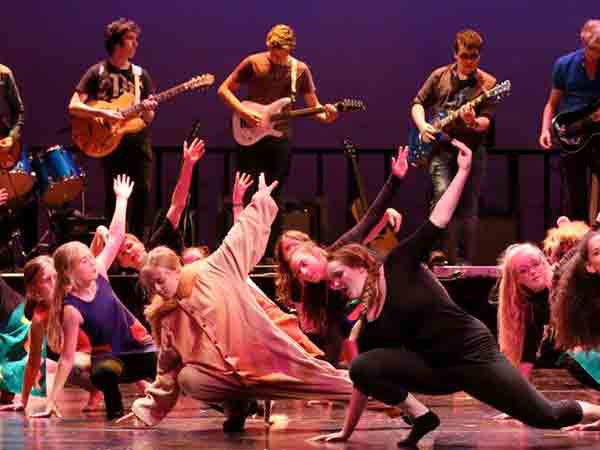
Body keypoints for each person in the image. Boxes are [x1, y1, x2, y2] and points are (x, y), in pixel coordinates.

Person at [313, 141, 600, 447]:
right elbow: (363, 381)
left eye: (338, 276)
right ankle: (422, 417)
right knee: (361, 365)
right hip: (435, 371)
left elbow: (438, 219)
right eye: (331, 283)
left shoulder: (399, 263)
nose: (336, 285)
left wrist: (462, 172)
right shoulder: (369, 322)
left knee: (545, 416)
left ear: (358, 263)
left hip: (472, 355)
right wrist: (346, 432)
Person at [34, 175, 157, 421]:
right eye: (84, 260)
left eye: (91, 258)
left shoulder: (100, 273)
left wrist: (121, 200)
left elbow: (115, 238)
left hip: (140, 350)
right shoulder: (72, 309)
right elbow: (67, 358)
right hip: (112, 360)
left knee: (175, 367)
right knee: (103, 372)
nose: (93, 261)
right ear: (69, 272)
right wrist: (50, 401)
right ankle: (114, 410)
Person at [218, 23, 338, 258]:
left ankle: (270, 254)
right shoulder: (253, 62)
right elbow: (224, 89)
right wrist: (243, 112)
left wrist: (329, 116)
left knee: (274, 197)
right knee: (246, 193)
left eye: (280, 53)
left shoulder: (300, 70)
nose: (275, 57)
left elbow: (315, 107)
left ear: (290, 48)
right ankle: (242, 251)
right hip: (250, 136)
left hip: (280, 139)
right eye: (272, 51)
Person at [411, 29, 497, 265]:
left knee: (468, 206)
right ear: (455, 54)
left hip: (470, 151)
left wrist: (472, 121)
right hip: (440, 148)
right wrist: (422, 126)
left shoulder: (488, 84)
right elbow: (418, 103)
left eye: (474, 56)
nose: (469, 61)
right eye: (464, 56)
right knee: (441, 193)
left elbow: (486, 121)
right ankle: (436, 252)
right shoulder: (439, 76)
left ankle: (463, 260)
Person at [68, 18, 157, 239]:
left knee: (142, 196)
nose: (136, 43)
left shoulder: (140, 75)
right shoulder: (97, 72)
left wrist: (148, 110)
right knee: (114, 198)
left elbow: (148, 118)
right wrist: (103, 113)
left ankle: (137, 246)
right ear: (117, 43)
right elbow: (74, 106)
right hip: (110, 144)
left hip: (138, 143)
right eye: (131, 39)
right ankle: (112, 248)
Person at [0, 256, 102, 414]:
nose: (55, 283)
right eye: (47, 280)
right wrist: (23, 402)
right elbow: (33, 362)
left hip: (107, 355)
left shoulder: (75, 295)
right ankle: (96, 390)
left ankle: (103, 387)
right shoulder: (39, 317)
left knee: (67, 363)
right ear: (35, 290)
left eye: (56, 277)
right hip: (84, 361)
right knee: (62, 364)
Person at [539, 19, 600, 221]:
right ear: (583, 42)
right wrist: (545, 130)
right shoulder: (564, 64)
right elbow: (551, 104)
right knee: (576, 195)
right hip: (572, 134)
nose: (597, 54)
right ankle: (580, 236)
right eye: (593, 49)